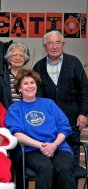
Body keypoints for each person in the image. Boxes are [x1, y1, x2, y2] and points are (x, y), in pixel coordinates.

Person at [5, 68, 76, 189]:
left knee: (65, 167)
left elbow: (64, 127)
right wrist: (41, 145)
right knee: (45, 167)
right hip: (31, 150)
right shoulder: (15, 109)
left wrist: (54, 144)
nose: (30, 86)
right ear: (19, 88)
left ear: (36, 86)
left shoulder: (49, 104)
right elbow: (17, 134)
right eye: (25, 83)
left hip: (58, 147)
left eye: (32, 83)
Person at [33, 30, 88, 166]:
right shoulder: (38, 67)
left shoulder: (74, 63)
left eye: (58, 43)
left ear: (63, 44)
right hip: (47, 125)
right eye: (50, 43)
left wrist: (83, 113)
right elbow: (37, 97)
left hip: (72, 121)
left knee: (71, 160)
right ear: (45, 46)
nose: (54, 46)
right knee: (51, 160)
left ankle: (70, 188)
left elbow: (85, 90)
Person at [0, 41, 30, 109]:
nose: (17, 58)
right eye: (14, 55)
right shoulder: (1, 77)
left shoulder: (31, 77)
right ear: (9, 58)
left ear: (25, 59)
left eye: (21, 55)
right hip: (8, 115)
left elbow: (37, 98)